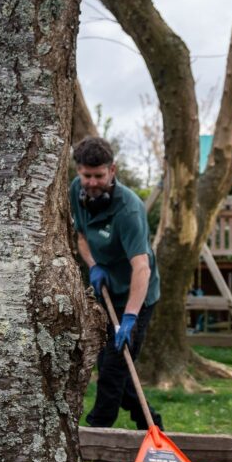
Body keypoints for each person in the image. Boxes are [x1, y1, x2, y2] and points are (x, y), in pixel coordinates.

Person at [69, 136, 163, 430]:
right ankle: (153, 427)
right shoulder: (76, 191)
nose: (93, 182)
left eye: (99, 176)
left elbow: (141, 267)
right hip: (106, 289)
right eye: (87, 176)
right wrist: (95, 266)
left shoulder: (129, 210)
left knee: (112, 369)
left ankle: (97, 432)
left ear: (113, 170)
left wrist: (130, 319)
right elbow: (81, 236)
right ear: (78, 172)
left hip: (138, 296)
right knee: (116, 367)